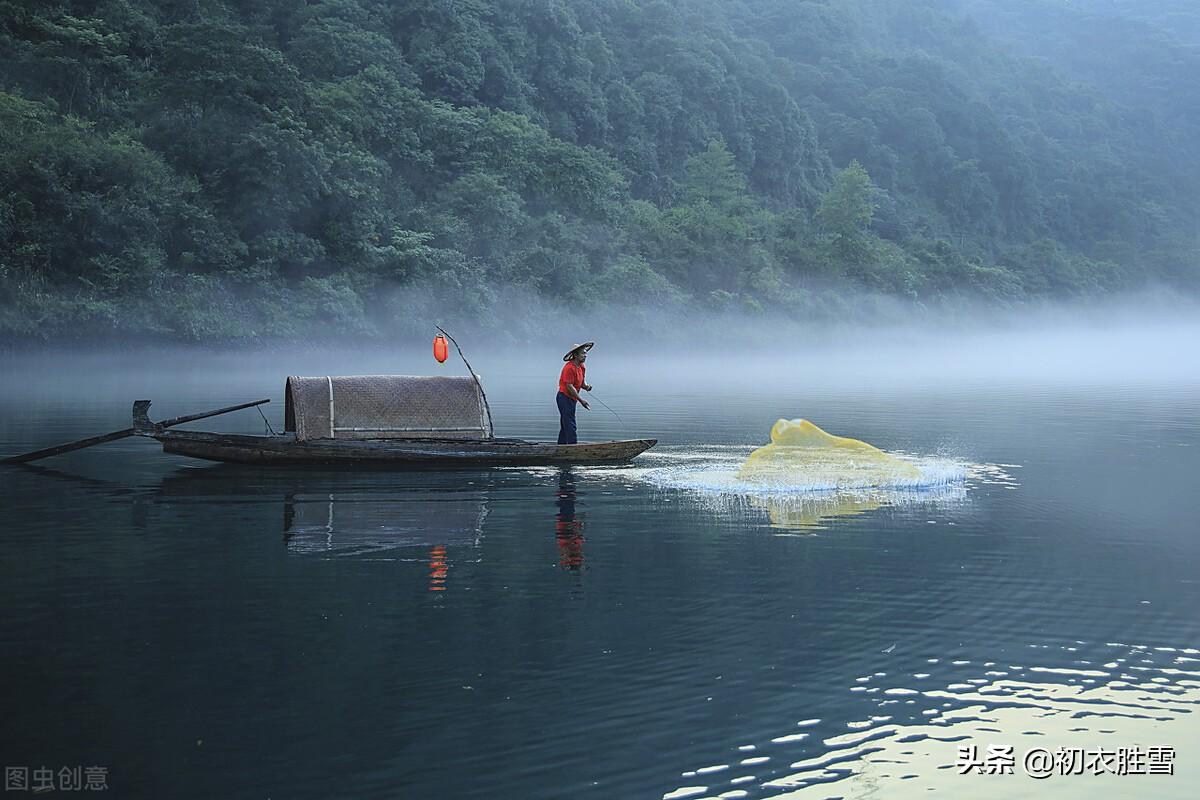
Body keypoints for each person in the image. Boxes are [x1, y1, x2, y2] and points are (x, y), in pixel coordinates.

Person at [556, 341, 593, 444]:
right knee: (570, 426)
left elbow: (581, 382)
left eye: (586, 353)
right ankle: (573, 448)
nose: (585, 356)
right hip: (564, 398)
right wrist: (581, 400)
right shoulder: (569, 368)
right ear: (576, 355)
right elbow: (569, 386)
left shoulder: (581, 366)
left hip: (572, 399)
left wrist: (586, 386)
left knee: (565, 426)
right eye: (583, 353)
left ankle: (561, 448)